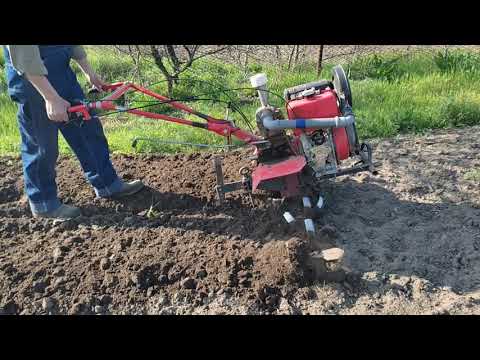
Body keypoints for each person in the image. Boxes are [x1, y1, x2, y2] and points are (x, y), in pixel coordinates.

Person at [2, 45, 144, 220]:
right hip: (33, 85)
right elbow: (25, 57)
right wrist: (51, 98)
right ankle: (43, 204)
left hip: (63, 76)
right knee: (43, 147)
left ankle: (107, 184)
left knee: (88, 130)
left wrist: (88, 71)